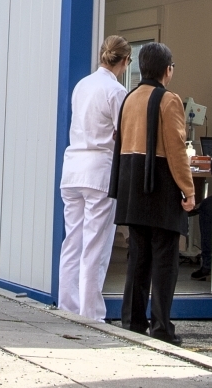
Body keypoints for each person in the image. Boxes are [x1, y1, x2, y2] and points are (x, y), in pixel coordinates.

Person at [111, 41, 196, 344]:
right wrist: (188, 190)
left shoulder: (130, 98)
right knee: (164, 261)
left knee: (138, 258)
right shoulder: (168, 99)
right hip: (159, 184)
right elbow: (176, 149)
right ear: (167, 69)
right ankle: (161, 327)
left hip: (132, 184)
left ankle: (133, 320)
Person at [57, 35, 132, 320]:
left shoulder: (82, 85)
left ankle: (67, 305)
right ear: (125, 61)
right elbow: (122, 133)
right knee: (95, 244)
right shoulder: (115, 91)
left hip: (73, 167)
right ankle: (91, 313)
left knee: (72, 240)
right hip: (99, 170)